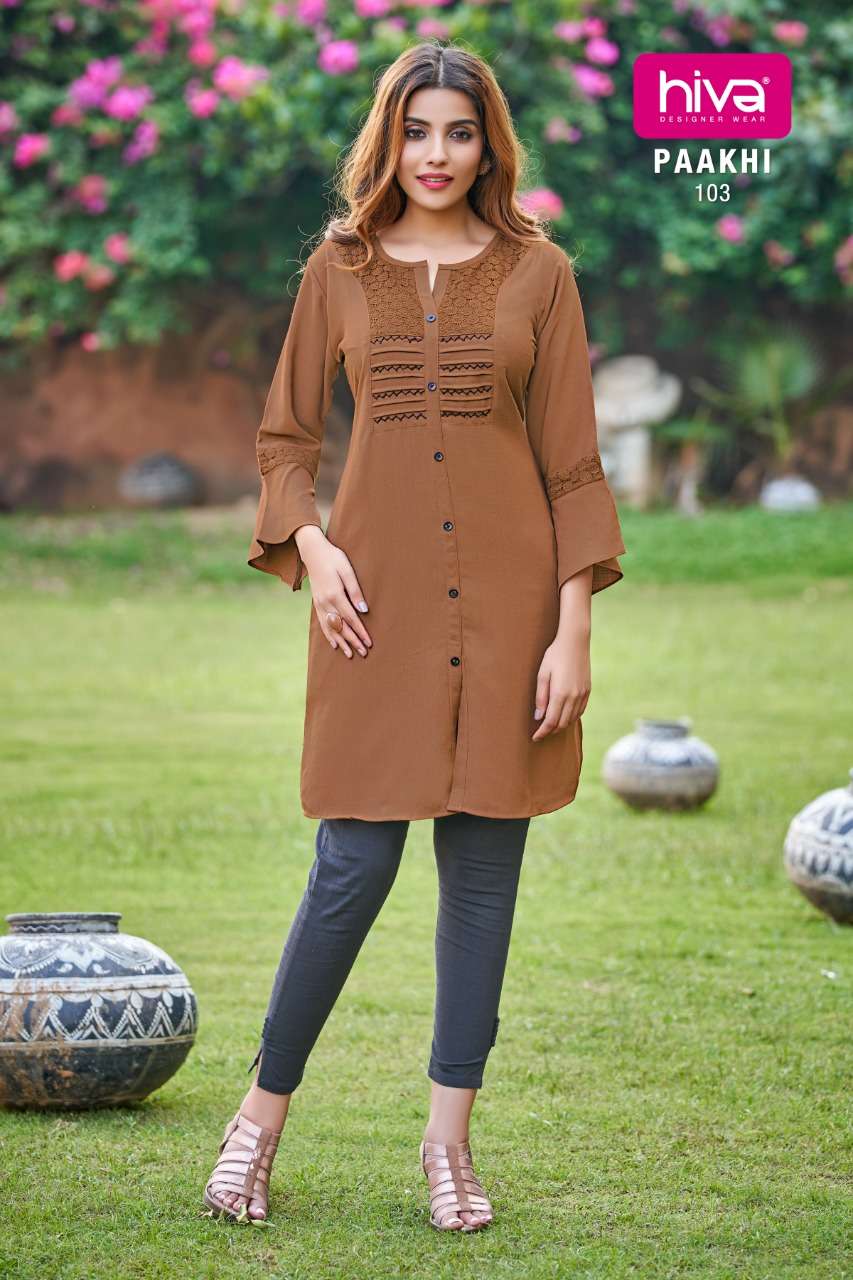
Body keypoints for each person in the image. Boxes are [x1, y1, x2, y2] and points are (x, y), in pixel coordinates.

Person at [203, 39, 626, 1232]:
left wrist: (572, 628)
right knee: (351, 865)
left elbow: (571, 463)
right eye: (417, 130)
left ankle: (449, 1143)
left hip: (511, 612)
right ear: (388, 141)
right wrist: (315, 547)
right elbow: (285, 440)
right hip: (371, 609)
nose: (436, 154)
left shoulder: (540, 273)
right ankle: (256, 1122)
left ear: (489, 144)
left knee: (482, 879)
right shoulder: (335, 269)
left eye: (459, 131)